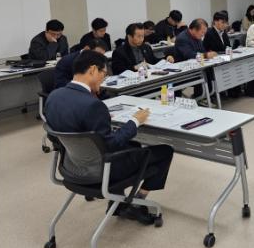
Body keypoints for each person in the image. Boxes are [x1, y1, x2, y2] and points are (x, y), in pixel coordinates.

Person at [45, 50, 174, 225]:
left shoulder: (54, 97)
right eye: (104, 74)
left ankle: (117, 202)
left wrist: (101, 120)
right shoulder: (93, 105)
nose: (104, 79)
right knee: (164, 151)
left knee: (133, 145)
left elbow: (61, 134)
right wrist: (135, 121)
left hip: (71, 167)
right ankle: (136, 202)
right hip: (100, 171)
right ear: (92, 70)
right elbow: (111, 145)